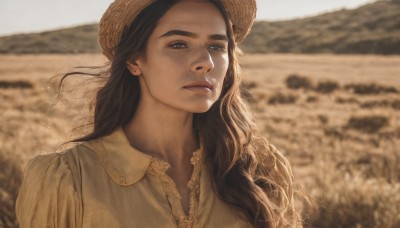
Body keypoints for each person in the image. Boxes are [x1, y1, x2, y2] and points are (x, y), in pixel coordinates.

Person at [16, 0, 303, 227]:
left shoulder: (257, 170)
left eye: (217, 46)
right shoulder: (67, 180)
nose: (205, 62)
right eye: (178, 44)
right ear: (134, 60)